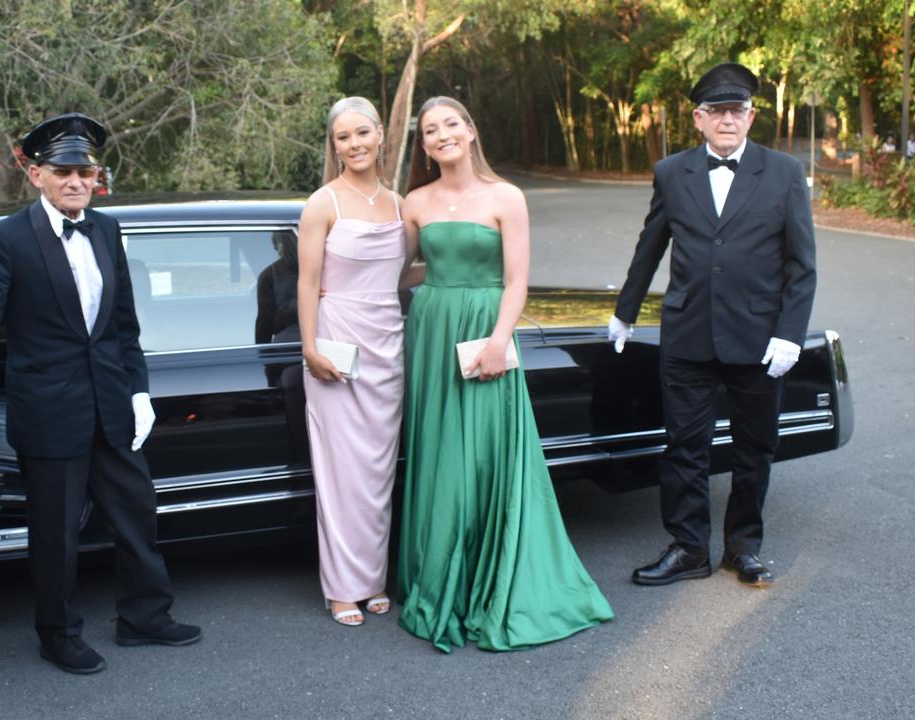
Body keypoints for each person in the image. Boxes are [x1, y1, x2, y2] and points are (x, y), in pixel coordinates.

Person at [0, 112, 200, 675]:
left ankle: (144, 617)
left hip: (113, 403)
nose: (78, 181)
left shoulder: (106, 230)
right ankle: (57, 633)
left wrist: (138, 390)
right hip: (51, 411)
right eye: (64, 171)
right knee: (54, 535)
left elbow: (123, 324)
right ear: (36, 175)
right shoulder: (5, 239)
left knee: (137, 514)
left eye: (86, 171)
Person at [395, 96, 612, 652]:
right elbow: (398, 271)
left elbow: (517, 280)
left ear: (469, 130)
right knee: (442, 452)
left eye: (450, 124)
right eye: (429, 131)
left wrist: (497, 341)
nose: (441, 135)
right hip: (434, 327)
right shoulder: (414, 202)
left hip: (486, 332)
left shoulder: (506, 197)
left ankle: (494, 576)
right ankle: (444, 573)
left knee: (488, 453)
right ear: (423, 145)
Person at [608, 62, 816, 588]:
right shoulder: (672, 172)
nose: (728, 119)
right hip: (688, 335)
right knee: (684, 447)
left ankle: (742, 549)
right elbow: (650, 246)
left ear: (750, 117)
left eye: (737, 110)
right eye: (717, 111)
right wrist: (625, 311)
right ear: (698, 119)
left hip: (758, 338)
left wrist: (790, 333)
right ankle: (689, 548)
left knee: (754, 449)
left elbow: (801, 264)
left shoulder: (785, 173)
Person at [297, 97, 406, 627]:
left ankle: (374, 580)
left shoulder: (400, 203)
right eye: (343, 137)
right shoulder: (323, 203)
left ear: (381, 134)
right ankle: (342, 588)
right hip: (336, 341)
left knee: (378, 472)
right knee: (340, 472)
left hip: (389, 343)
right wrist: (310, 348)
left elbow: (399, 275)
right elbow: (306, 281)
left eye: (362, 132)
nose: (354, 144)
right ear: (333, 145)